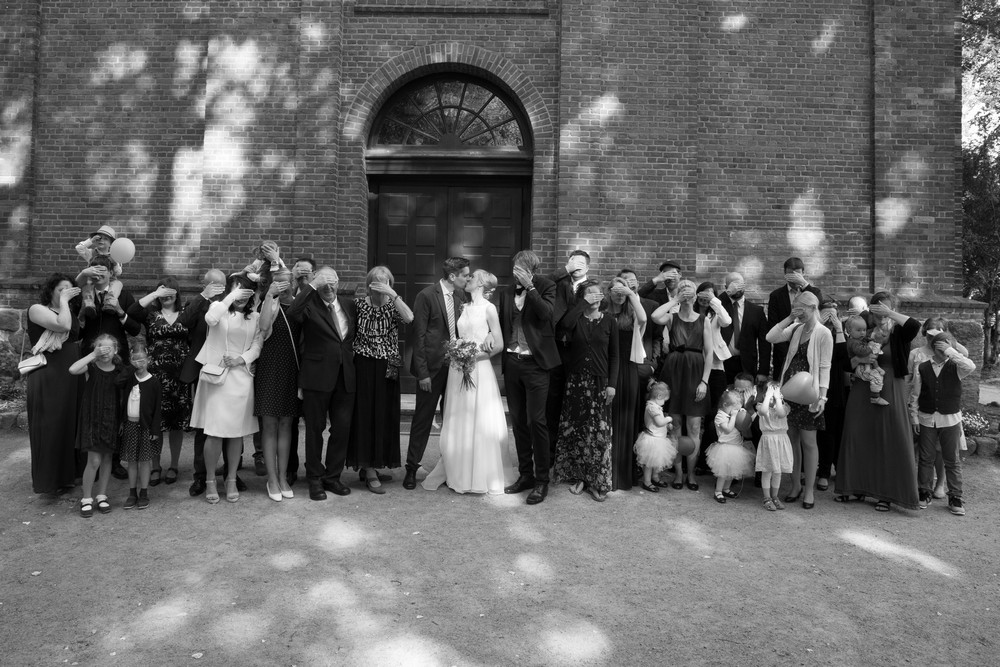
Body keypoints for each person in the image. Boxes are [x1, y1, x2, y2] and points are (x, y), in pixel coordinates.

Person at [422, 270, 510, 494]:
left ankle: (479, 475)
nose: (467, 279)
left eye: (472, 277)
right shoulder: (464, 306)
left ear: (480, 283)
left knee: (478, 419)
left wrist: (472, 357)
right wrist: (458, 353)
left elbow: (498, 344)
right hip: (457, 369)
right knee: (458, 417)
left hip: (477, 368)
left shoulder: (489, 309)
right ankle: (457, 470)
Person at [835, 291, 921, 511]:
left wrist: (890, 313)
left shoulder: (899, 332)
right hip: (862, 388)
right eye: (877, 308)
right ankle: (854, 486)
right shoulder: (864, 332)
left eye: (886, 307)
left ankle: (887, 493)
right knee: (856, 433)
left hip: (891, 387)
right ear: (870, 311)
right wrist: (858, 359)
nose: (881, 312)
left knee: (889, 437)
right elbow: (845, 362)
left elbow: (915, 326)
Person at [189, 274, 263, 504]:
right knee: (214, 431)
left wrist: (242, 359)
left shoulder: (256, 317)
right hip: (216, 378)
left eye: (246, 290)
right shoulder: (218, 308)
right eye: (237, 289)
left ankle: (231, 478)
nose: (242, 294)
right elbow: (211, 319)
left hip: (241, 378)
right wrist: (231, 296)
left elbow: (257, 344)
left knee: (235, 432)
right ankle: (210, 480)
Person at [288, 267, 357, 501]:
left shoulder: (349, 305)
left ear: (339, 283)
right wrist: (312, 285)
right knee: (315, 430)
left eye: (333, 282)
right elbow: (292, 313)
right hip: (316, 376)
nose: (329, 287)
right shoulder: (309, 304)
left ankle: (333, 477)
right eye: (324, 283)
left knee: (341, 429)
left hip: (345, 376)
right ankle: (315, 479)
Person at [498, 250, 561, 505]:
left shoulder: (547, 286)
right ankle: (525, 475)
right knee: (519, 421)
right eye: (515, 267)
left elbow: (546, 315)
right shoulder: (505, 292)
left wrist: (530, 287)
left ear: (532, 269)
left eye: (522, 268)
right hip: (512, 362)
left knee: (537, 421)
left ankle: (541, 480)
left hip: (537, 364)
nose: (516, 271)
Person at [404, 258, 470, 489]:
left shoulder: (462, 297)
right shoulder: (426, 296)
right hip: (431, 369)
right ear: (453, 276)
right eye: (465, 275)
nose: (468, 279)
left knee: (452, 420)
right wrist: (422, 374)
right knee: (423, 419)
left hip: (455, 368)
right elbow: (418, 335)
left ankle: (447, 468)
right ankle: (411, 468)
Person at [552, 279, 619, 502]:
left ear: (603, 297)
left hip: (600, 382)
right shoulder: (576, 319)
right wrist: (581, 304)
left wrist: (612, 385)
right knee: (578, 430)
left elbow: (614, 356)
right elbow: (562, 328)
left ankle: (597, 480)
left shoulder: (610, 321)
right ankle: (579, 476)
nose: (593, 296)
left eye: (597, 293)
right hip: (576, 382)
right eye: (588, 293)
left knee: (598, 433)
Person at [348, 266, 414, 494]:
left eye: (386, 281)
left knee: (385, 415)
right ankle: (368, 468)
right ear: (369, 284)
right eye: (377, 281)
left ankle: (375, 464)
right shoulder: (358, 304)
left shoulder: (393, 305)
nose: (381, 285)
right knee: (366, 415)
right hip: (365, 365)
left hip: (389, 366)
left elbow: (409, 318)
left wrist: (393, 295)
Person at [765, 291, 832, 509]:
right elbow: (771, 337)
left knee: (809, 442)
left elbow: (824, 367)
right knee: (791, 439)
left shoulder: (823, 333)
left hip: (809, 393)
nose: (799, 314)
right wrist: (789, 318)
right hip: (789, 392)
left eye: (801, 310)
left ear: (813, 308)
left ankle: (809, 490)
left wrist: (822, 396)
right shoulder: (795, 329)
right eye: (796, 310)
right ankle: (795, 485)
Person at [650, 279, 715, 491]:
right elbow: (654, 316)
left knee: (695, 426)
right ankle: (678, 474)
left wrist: (704, 381)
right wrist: (675, 300)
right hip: (674, 372)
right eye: (683, 293)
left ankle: (692, 474)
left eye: (690, 293)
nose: (688, 296)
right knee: (675, 425)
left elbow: (709, 353)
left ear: (696, 296)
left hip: (696, 373)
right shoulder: (672, 317)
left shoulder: (704, 320)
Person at [24, 273, 83, 495]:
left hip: (71, 373)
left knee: (70, 423)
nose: (65, 293)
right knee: (50, 425)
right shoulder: (37, 309)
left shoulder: (70, 310)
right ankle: (48, 480)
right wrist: (66, 300)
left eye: (69, 289)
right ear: (50, 291)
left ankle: (68, 475)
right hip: (48, 375)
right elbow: (62, 325)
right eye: (61, 289)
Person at [130, 276, 191, 486]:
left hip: (180, 376)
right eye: (162, 290)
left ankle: (174, 465)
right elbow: (132, 311)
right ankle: (155, 466)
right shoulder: (151, 315)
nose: (166, 294)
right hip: (155, 377)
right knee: (155, 422)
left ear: (177, 293)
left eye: (170, 290)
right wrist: (155, 294)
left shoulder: (186, 314)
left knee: (176, 423)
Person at [177, 269, 230, 497]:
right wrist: (204, 297)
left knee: (230, 423)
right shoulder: (197, 303)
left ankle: (231, 474)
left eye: (223, 285)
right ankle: (200, 477)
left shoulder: (231, 305)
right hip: (202, 370)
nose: (221, 290)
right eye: (215, 286)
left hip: (228, 370)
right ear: (205, 284)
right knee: (203, 426)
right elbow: (183, 323)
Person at [910, 331, 974, 516]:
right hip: (927, 418)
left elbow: (971, 365)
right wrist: (914, 417)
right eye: (941, 344)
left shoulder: (957, 366)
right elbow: (915, 395)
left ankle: (955, 496)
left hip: (950, 419)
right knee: (926, 458)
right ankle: (924, 491)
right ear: (933, 346)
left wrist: (951, 351)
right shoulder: (922, 367)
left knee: (951, 460)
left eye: (947, 344)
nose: (944, 347)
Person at [255, 268, 302, 501]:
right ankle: (271, 479)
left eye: (287, 282)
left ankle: (283, 476)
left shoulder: (299, 305)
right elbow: (263, 328)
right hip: (270, 369)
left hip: (292, 371)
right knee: (270, 424)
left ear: (293, 283)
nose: (284, 286)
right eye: (278, 283)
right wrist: (269, 297)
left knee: (286, 424)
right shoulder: (268, 304)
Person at [68, 334, 122, 517]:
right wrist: (93, 354)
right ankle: (86, 498)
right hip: (92, 417)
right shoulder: (91, 366)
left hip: (111, 417)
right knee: (94, 460)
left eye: (108, 348)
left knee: (107, 459)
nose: (104, 352)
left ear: (115, 350)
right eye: (101, 348)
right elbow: (72, 369)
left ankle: (102, 495)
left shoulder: (119, 369)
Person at [547, 250, 591, 463]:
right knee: (553, 399)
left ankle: (574, 453)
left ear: (588, 268)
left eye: (581, 262)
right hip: (555, 348)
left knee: (575, 399)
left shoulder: (592, 288)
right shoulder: (558, 284)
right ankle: (551, 451)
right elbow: (539, 283)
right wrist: (564, 270)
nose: (577, 265)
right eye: (573, 261)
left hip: (578, 350)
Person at [605, 274, 648, 491]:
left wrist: (631, 294)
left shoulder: (632, 316)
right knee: (608, 420)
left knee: (626, 420)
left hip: (628, 370)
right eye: (616, 291)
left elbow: (644, 318)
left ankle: (623, 475)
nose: (620, 295)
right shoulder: (603, 313)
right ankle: (605, 472)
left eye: (624, 292)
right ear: (609, 292)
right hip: (607, 371)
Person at [118, 346, 163, 511]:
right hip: (130, 425)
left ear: (149, 360)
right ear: (131, 361)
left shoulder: (154, 382)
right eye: (136, 360)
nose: (140, 363)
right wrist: (131, 367)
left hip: (146, 428)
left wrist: (155, 430)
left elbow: (157, 409)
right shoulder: (130, 378)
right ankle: (132, 493)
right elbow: (118, 382)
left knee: (144, 460)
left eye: (143, 360)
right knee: (131, 461)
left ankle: (144, 492)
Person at [766, 257, 822, 379]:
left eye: (797, 274)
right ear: (785, 274)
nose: (793, 278)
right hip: (783, 351)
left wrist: (804, 284)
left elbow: (819, 304)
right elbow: (773, 325)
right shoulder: (776, 296)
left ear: (803, 273)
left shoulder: (813, 292)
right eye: (790, 274)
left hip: (808, 351)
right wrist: (788, 352)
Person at [815, 296, 848, 492]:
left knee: (833, 431)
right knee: (820, 433)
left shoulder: (840, 333)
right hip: (815, 385)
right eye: (826, 311)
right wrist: (820, 322)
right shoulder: (815, 330)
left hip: (835, 388)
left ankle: (829, 470)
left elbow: (843, 359)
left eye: (834, 311)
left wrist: (838, 329)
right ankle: (821, 470)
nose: (830, 315)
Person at [719, 272, 770, 385]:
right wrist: (727, 293)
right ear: (726, 288)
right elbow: (709, 306)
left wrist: (763, 371)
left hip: (747, 365)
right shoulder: (720, 306)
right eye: (732, 285)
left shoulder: (756, 311)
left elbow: (764, 343)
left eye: (739, 285)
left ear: (745, 285)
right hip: (723, 363)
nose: (736, 288)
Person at [705, 389, 755, 504]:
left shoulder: (731, 413)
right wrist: (733, 417)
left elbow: (742, 421)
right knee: (723, 472)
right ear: (725, 405)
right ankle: (718, 491)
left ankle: (726, 489)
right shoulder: (720, 416)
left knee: (732, 471)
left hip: (736, 447)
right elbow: (727, 429)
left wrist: (741, 413)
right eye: (734, 409)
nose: (735, 412)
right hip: (725, 448)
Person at [755, 382, 793, 511]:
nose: (773, 396)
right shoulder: (761, 406)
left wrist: (777, 398)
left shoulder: (785, 406)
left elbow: (781, 414)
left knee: (778, 471)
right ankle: (767, 497)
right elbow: (763, 411)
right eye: (770, 393)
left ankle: (775, 496)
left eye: (777, 393)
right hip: (768, 440)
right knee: (767, 470)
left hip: (781, 440)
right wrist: (768, 396)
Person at [633, 382, 676, 493]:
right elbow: (659, 422)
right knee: (649, 463)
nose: (664, 403)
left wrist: (667, 425)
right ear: (659, 396)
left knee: (657, 462)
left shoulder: (656, 406)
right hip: (652, 440)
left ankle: (655, 477)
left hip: (659, 439)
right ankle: (647, 482)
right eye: (664, 400)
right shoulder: (652, 407)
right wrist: (668, 419)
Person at [74, 225, 123, 320]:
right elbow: (79, 248)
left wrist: (115, 261)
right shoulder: (91, 253)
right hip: (92, 280)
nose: (101, 241)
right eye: (99, 238)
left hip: (110, 281)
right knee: (86, 288)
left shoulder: (115, 255)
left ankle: (110, 302)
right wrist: (90, 241)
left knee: (118, 284)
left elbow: (118, 272)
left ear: (111, 244)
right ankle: (89, 305)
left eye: (105, 239)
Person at [844, 315, 890, 406]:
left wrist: (871, 339)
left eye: (864, 330)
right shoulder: (853, 342)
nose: (862, 333)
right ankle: (875, 397)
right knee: (876, 377)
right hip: (859, 368)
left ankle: (877, 368)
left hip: (863, 366)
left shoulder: (858, 340)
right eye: (859, 330)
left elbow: (866, 339)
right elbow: (861, 352)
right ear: (849, 331)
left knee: (874, 364)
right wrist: (871, 347)